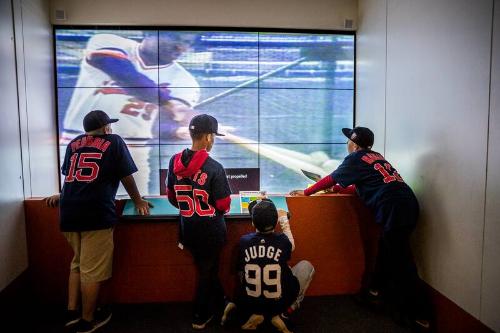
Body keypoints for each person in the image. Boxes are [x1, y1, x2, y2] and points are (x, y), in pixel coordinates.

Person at [290, 126, 430, 331]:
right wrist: (336, 189)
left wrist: (306, 192)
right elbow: (363, 184)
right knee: (386, 250)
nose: (347, 143)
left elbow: (332, 177)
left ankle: (421, 317)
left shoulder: (355, 158)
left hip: (393, 210)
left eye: (349, 140)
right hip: (408, 204)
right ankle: (373, 292)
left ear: (354, 144)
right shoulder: (376, 156)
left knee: (403, 263)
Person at [45, 110, 151, 333]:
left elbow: (73, 177)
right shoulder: (113, 141)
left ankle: (72, 311)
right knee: (92, 270)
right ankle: (87, 320)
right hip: (95, 213)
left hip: (69, 211)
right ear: (105, 127)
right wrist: (138, 200)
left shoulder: (73, 143)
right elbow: (126, 176)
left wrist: (62, 195)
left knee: (77, 263)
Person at [61, 31, 201, 194]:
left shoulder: (185, 81)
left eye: (188, 43)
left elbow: (157, 126)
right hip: (81, 144)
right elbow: (126, 76)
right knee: (77, 205)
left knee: (134, 211)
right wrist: (169, 103)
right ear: (149, 33)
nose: (181, 47)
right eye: (176, 37)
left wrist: (176, 130)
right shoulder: (106, 41)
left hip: (134, 151)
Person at [166, 114, 232, 330]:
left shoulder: (173, 162)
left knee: (207, 268)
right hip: (211, 230)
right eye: (213, 136)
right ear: (206, 137)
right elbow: (223, 204)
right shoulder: (214, 167)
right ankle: (200, 315)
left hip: (188, 228)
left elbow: (171, 197)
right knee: (206, 270)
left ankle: (223, 302)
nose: (213, 140)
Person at [221, 199, 315, 333]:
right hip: (279, 303)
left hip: (251, 302)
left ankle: (252, 312)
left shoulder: (244, 241)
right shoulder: (283, 242)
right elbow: (291, 245)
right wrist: (284, 219)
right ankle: (284, 314)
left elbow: (239, 270)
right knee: (306, 266)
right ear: (275, 222)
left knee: (244, 269)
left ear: (253, 222)